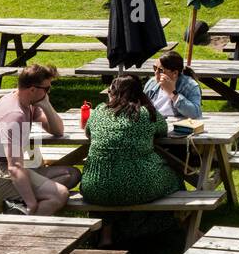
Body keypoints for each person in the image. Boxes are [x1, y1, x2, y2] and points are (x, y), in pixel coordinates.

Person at [79, 73, 184, 243]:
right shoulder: (146, 113)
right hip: (139, 186)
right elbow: (163, 130)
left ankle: (107, 235)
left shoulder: (98, 111)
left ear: (113, 93)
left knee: (110, 182)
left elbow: (88, 132)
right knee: (176, 177)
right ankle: (175, 225)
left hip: (94, 186)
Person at [0, 63, 80, 215]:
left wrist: (46, 105)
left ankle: (17, 207)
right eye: (46, 89)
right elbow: (14, 167)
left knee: (72, 175)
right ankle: (18, 226)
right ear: (33, 89)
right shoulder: (15, 115)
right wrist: (31, 203)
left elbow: (58, 130)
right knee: (59, 194)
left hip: (3, 170)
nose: (48, 92)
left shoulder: (26, 102)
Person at [143, 51, 202, 118]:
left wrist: (172, 93)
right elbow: (142, 107)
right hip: (155, 124)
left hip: (178, 126)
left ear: (175, 73)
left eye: (161, 70)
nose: (156, 73)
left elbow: (195, 113)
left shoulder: (190, 86)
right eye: (155, 68)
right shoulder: (152, 83)